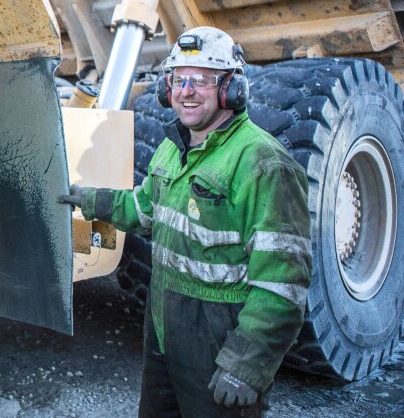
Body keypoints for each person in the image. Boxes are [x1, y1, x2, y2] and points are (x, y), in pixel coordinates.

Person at [59, 27, 312, 417]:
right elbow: (145, 210)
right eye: (178, 79)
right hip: (164, 330)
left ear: (231, 89)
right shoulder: (173, 146)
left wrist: (246, 363)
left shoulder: (262, 164)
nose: (186, 91)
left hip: (218, 343)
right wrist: (93, 200)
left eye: (202, 80)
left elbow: (282, 284)